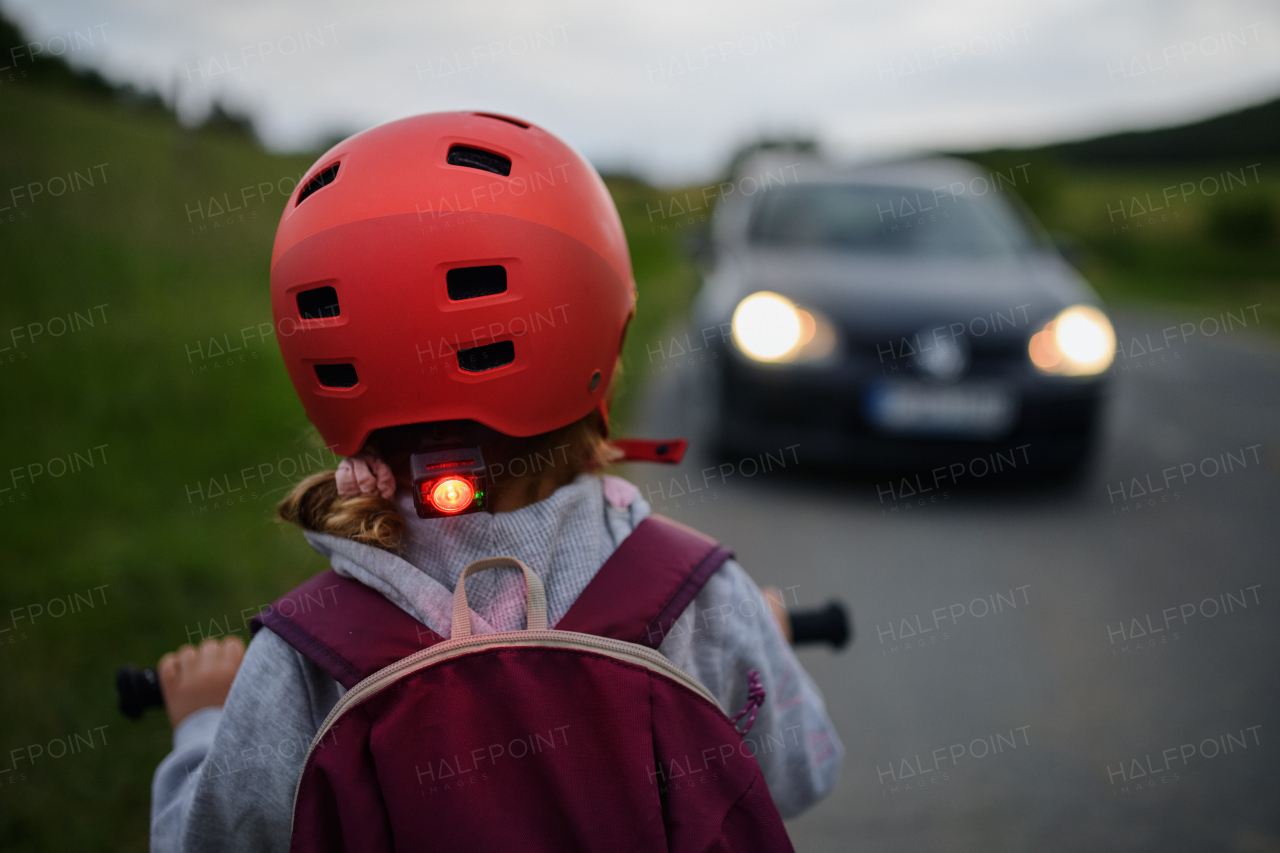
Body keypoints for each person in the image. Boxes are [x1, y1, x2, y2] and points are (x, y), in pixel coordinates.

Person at [149, 111, 842, 853]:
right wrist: (762, 649)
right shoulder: (703, 599)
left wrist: (201, 723)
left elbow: (205, 841)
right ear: (603, 328)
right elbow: (800, 771)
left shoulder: (301, 661)